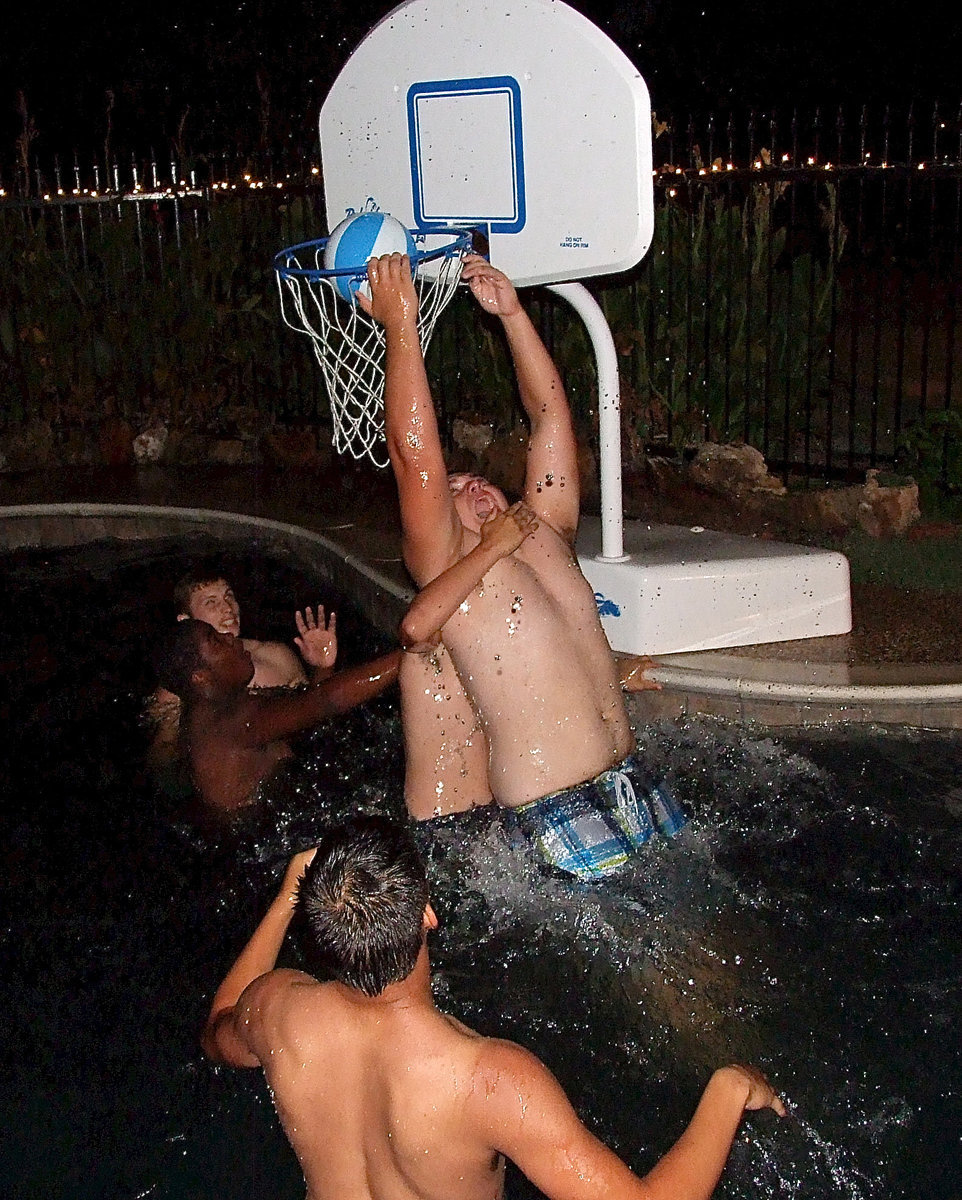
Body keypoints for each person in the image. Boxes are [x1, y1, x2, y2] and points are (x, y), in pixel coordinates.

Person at [201, 815, 785, 1200]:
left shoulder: (277, 1011)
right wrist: (729, 1088)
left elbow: (215, 1031)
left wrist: (284, 899)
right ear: (428, 914)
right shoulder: (489, 1082)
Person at [362, 253, 676, 879]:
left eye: (476, 473)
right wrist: (401, 327)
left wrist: (513, 316)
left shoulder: (547, 530)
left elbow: (551, 416)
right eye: (453, 484)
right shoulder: (449, 563)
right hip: (555, 807)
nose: (469, 480)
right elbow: (413, 452)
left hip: (634, 780)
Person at [155, 619, 398, 813]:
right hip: (263, 838)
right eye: (216, 641)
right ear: (200, 677)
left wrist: (323, 668)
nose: (229, 637)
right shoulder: (229, 722)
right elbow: (325, 701)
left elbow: (303, 715)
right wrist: (409, 653)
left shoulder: (205, 713)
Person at [148, 569, 338, 762]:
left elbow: (317, 718)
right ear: (186, 622)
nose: (228, 608)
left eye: (229, 596)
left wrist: (323, 668)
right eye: (211, 602)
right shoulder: (175, 691)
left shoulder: (276, 657)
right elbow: (164, 760)